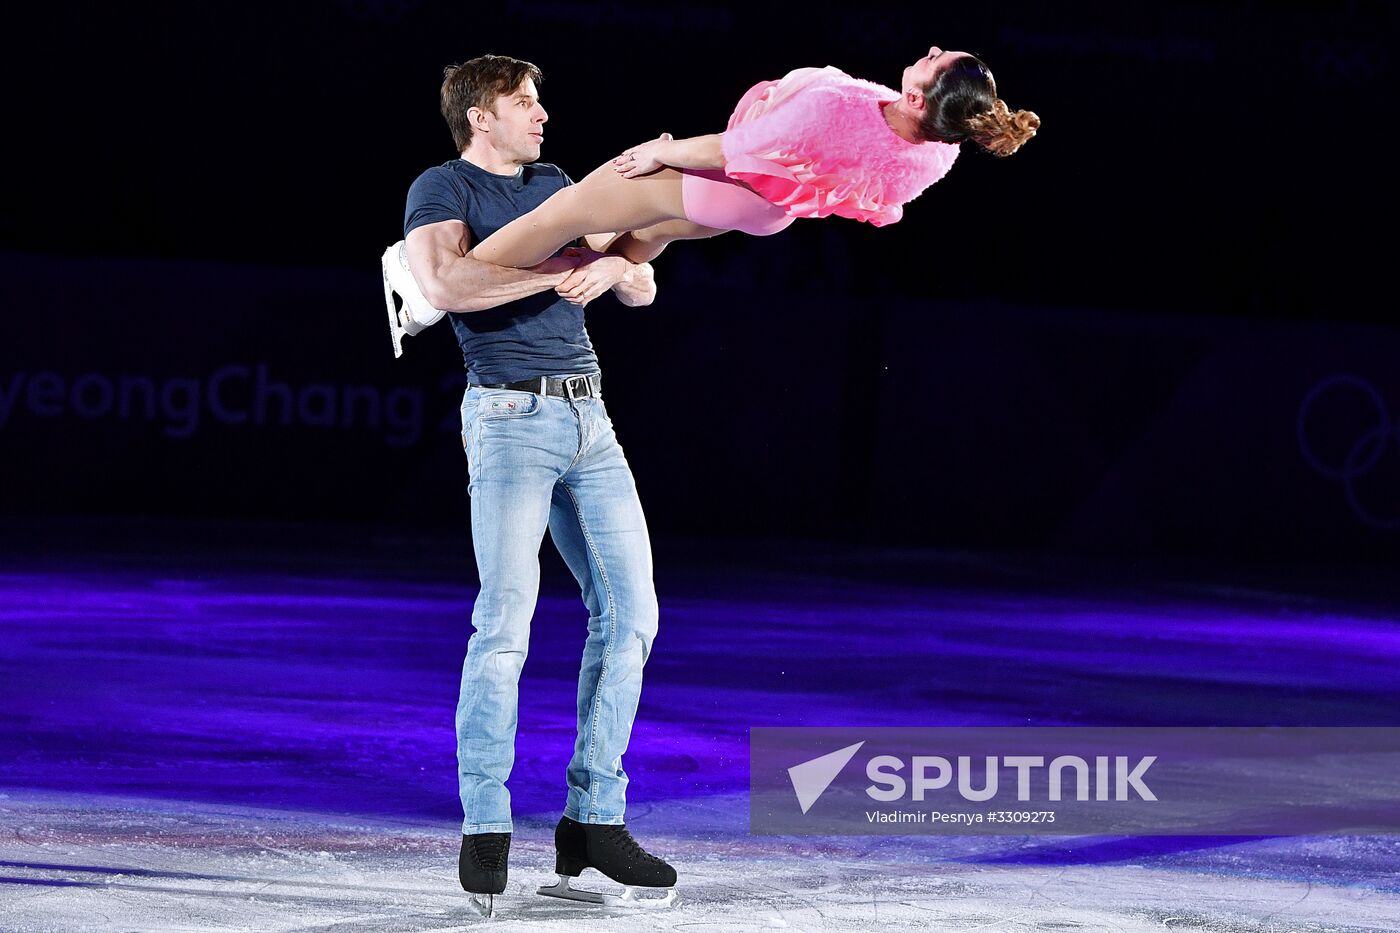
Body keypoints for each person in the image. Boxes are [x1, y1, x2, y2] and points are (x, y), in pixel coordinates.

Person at [399, 53, 678, 915]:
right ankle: (485, 825)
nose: (540, 113)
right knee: (506, 620)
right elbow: (443, 281)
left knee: (633, 614)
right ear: (479, 116)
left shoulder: (557, 183)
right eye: (522, 101)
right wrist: (560, 274)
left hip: (591, 418)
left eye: (538, 100)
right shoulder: (444, 187)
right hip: (509, 417)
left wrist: (618, 269)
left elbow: (641, 281)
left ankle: (593, 821)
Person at [465, 46, 1041, 270]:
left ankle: (445, 286)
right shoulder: (939, 151)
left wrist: (662, 151)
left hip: (729, 182)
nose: (931, 50)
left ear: (919, 100)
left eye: (936, 60)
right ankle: (586, 278)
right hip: (766, 213)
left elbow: (731, 149)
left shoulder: (835, 114)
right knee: (641, 235)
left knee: (565, 211)